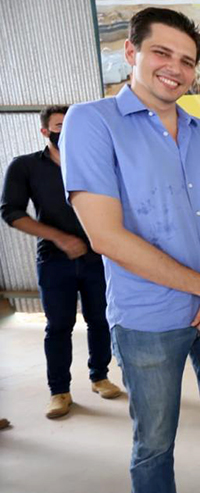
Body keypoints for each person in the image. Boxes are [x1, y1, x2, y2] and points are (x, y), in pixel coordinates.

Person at [60, 8, 200, 493]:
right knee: (155, 441)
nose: (175, 68)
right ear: (132, 54)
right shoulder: (93, 124)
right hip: (148, 319)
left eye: (187, 60)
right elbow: (106, 236)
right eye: (162, 53)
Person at [1, 106, 123, 419]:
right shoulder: (26, 166)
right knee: (58, 327)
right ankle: (59, 391)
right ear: (45, 131)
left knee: (100, 319)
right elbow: (11, 212)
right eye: (59, 126)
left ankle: (100, 376)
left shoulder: (94, 163)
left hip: (98, 258)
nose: (65, 131)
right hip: (55, 261)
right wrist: (59, 238)